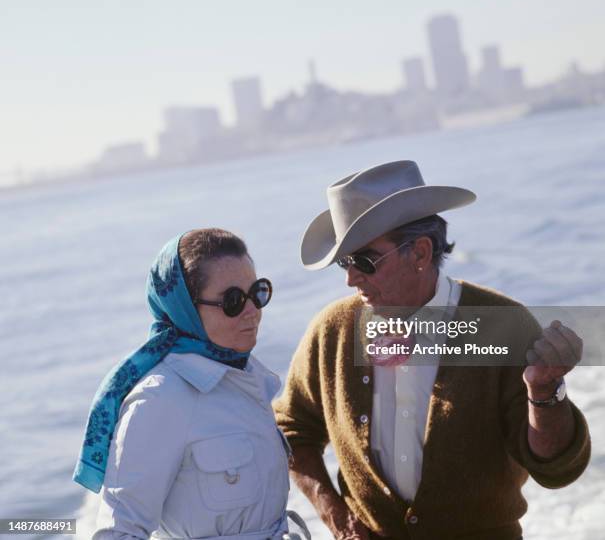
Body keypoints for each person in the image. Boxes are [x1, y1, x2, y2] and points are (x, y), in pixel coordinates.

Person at [273, 160, 591, 540]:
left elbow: (556, 468)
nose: (349, 277)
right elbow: (291, 431)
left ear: (420, 253)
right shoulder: (332, 331)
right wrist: (336, 519)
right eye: (344, 261)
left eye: (364, 261)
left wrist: (545, 393)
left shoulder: (501, 325)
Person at [73, 228, 310, 540]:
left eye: (258, 292)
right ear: (185, 309)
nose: (253, 310)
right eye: (233, 300)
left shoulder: (248, 376)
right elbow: (118, 532)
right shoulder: (159, 400)